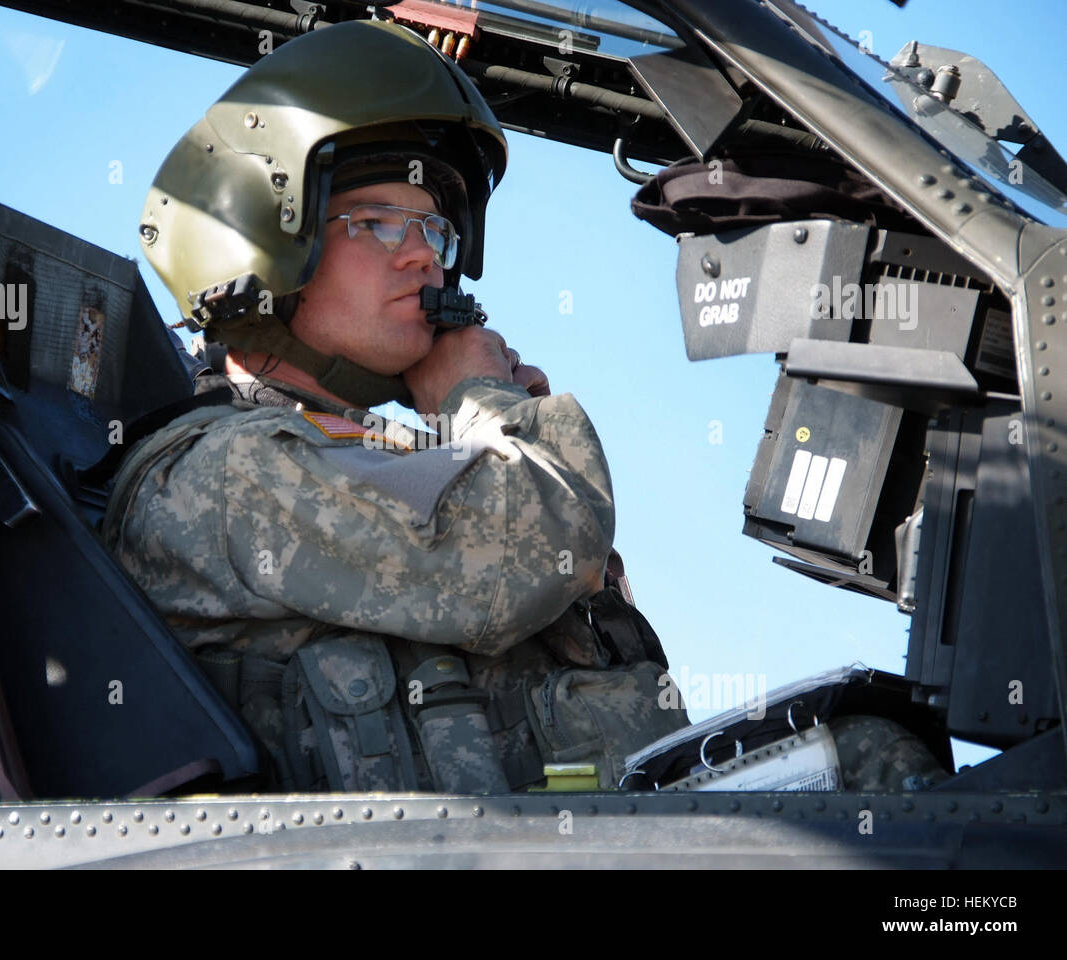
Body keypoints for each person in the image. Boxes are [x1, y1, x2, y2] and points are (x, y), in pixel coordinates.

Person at [104, 18, 948, 794]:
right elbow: (520, 564)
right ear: (262, 234)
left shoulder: (383, 457)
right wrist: (487, 405)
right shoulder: (226, 471)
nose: (422, 260)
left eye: (433, 230)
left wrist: (478, 430)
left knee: (872, 754)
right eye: (378, 223)